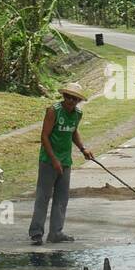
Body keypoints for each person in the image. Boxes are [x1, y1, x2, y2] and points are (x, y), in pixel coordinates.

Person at [29, 82, 93, 245]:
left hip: (65, 161)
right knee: (43, 197)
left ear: (78, 101)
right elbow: (44, 136)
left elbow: (73, 132)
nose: (71, 101)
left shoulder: (77, 114)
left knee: (62, 198)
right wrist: (54, 160)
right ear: (64, 96)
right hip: (48, 161)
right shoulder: (54, 111)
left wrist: (83, 148)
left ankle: (56, 233)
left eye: (75, 99)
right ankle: (36, 232)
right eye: (68, 97)